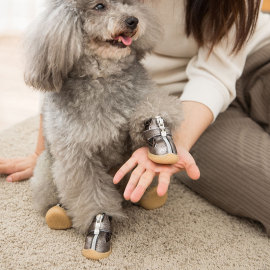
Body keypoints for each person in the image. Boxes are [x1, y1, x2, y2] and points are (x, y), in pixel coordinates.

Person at [1, 0, 270, 234]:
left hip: (257, 55)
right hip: (184, 98)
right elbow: (59, 58)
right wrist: (45, 151)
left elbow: (218, 71)